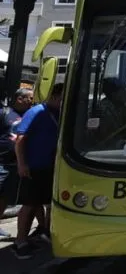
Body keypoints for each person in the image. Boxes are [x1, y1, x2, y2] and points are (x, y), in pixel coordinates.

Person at [12, 83, 63, 260]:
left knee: (44, 202)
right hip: (33, 166)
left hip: (48, 167)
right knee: (29, 205)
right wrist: (22, 164)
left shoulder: (57, 113)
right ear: (56, 97)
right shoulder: (36, 112)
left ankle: (43, 232)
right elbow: (20, 140)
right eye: (63, 99)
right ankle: (20, 243)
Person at [0, 89, 34, 239]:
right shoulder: (5, 113)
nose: (32, 101)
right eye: (29, 98)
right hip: (2, 162)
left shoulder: (30, 115)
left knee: (5, 198)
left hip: (16, 164)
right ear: (20, 99)